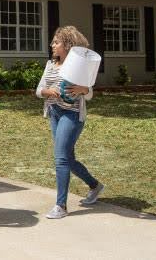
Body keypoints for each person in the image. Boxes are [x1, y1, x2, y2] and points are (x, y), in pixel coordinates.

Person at [37, 26, 105, 219]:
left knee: (60, 157)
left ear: (67, 45)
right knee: (68, 158)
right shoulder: (50, 65)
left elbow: (89, 93)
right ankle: (95, 185)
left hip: (72, 115)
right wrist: (48, 92)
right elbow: (38, 90)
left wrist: (83, 89)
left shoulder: (79, 65)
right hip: (55, 113)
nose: (52, 45)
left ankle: (61, 206)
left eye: (56, 42)